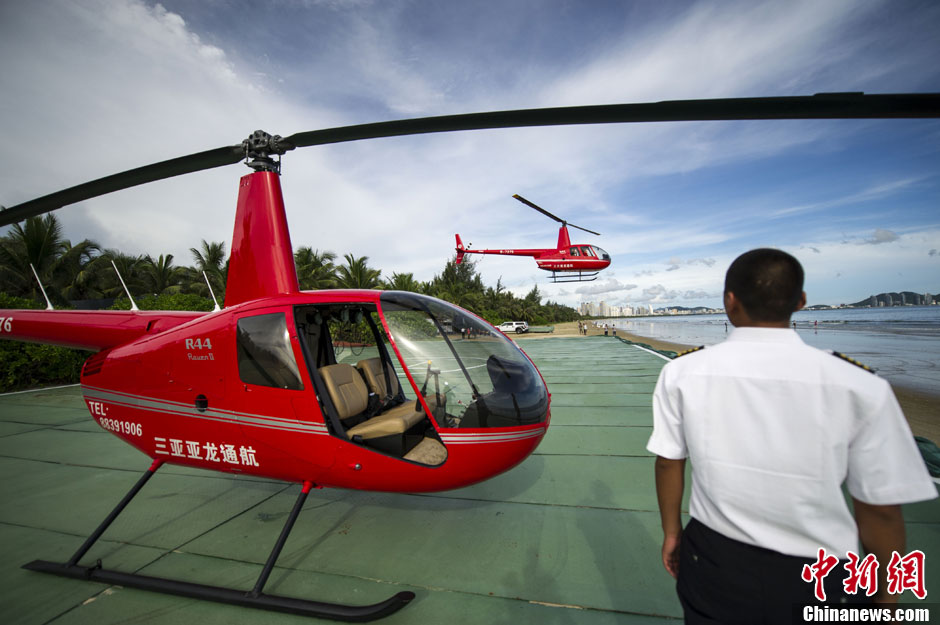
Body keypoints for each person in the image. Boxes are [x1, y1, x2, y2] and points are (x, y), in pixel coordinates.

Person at [647, 248, 936, 623]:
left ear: (728, 302)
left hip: (716, 562)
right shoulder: (859, 384)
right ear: (800, 301)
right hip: (822, 574)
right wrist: (886, 599)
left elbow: (670, 462)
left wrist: (672, 532)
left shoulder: (682, 372)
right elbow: (880, 509)